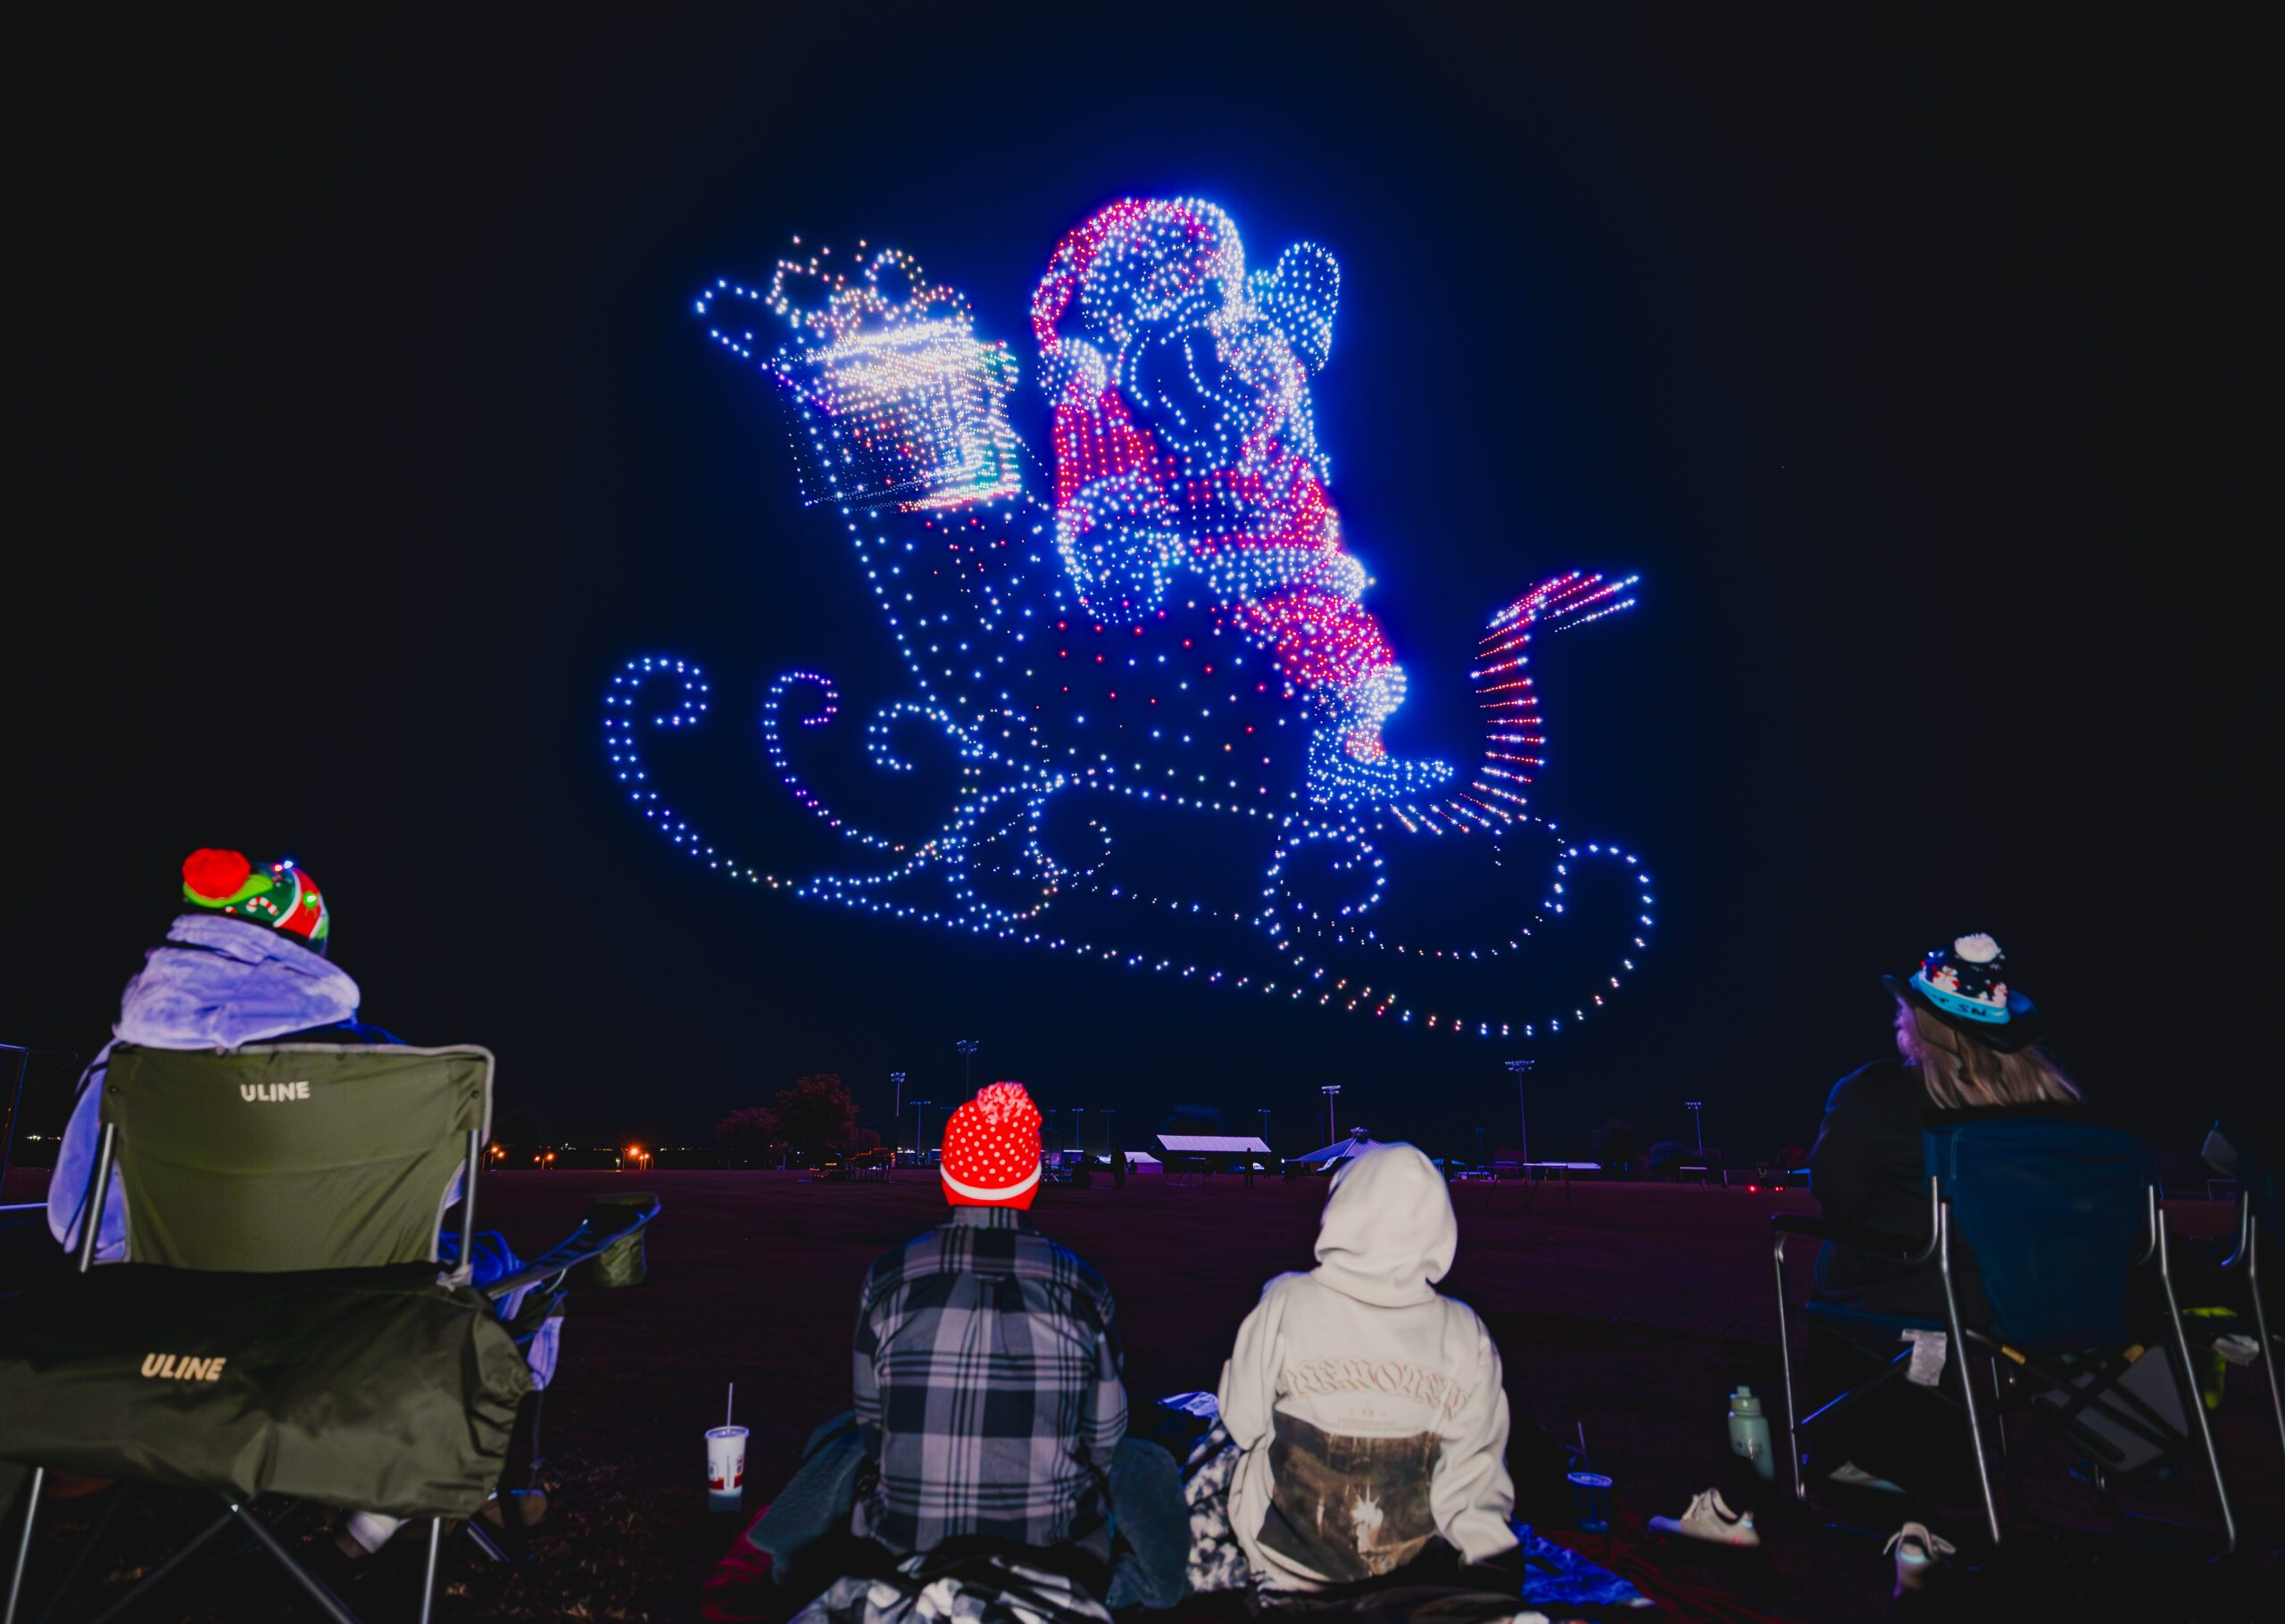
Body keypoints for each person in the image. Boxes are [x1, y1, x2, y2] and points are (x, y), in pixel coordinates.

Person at [44, 849, 551, 1562]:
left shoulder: (121, 1067)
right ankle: (411, 1495)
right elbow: (444, 1194)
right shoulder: (373, 1064)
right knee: (513, 1274)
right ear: (308, 950)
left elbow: (73, 1220)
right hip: (338, 1344)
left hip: (160, 1346)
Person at [707, 1082, 1184, 1623]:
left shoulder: (889, 1277)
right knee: (1147, 1461)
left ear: (947, 1179)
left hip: (905, 1544)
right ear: (1031, 1183)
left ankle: (793, 1555)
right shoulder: (1083, 1285)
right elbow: (1106, 1442)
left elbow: (874, 1427)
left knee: (838, 1438)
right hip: (1054, 1551)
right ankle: (1135, 1585)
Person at [1210, 1140, 1519, 1594]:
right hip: (1405, 1570)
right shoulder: (1464, 1332)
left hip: (1284, 1563)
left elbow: (1242, 1422)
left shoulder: (1287, 1299)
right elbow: (1474, 1482)